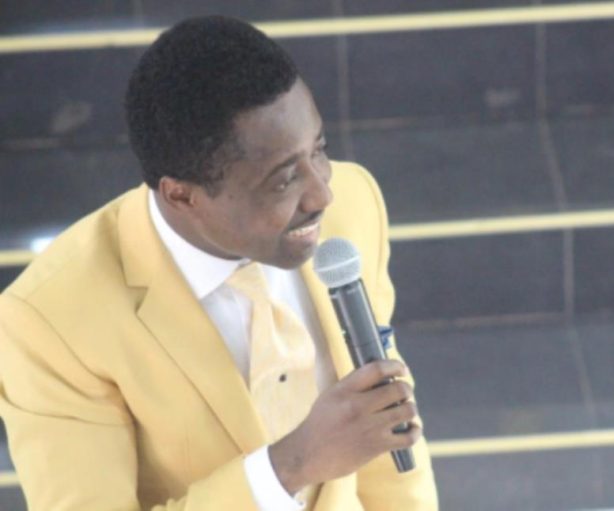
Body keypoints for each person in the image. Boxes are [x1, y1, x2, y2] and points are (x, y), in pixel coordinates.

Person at [0, 16, 438, 511]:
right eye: (282, 180)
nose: (322, 193)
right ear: (181, 196)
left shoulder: (353, 205)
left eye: (319, 149)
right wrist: (290, 466)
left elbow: (387, 437)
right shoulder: (49, 323)